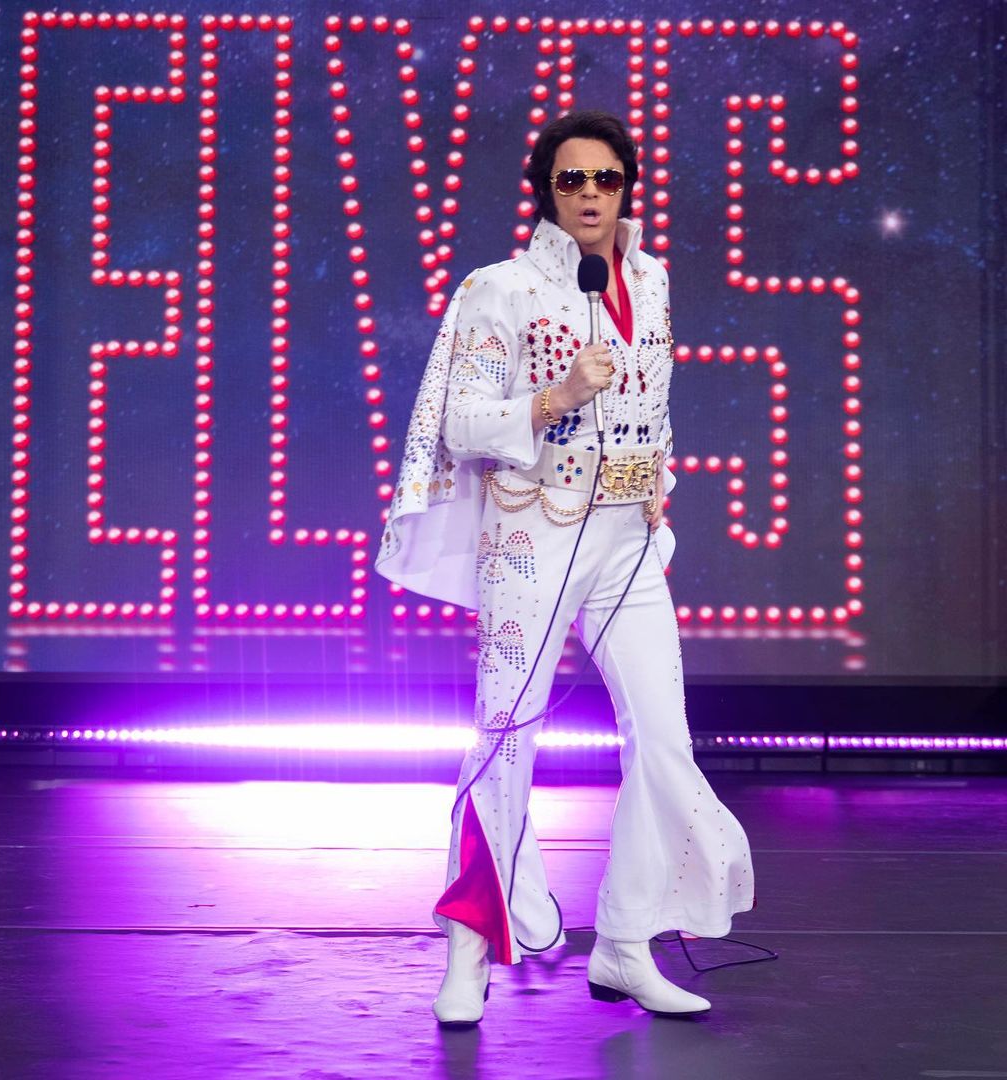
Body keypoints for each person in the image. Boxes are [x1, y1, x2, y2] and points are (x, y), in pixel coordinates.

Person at [376, 110, 754, 1024]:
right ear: (546, 192)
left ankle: (626, 944)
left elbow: (656, 398)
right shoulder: (499, 288)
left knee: (663, 739)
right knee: (506, 736)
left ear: (628, 188)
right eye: (571, 179)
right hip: (533, 532)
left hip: (628, 538)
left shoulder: (652, 280)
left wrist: (658, 479)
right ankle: (469, 947)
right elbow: (462, 422)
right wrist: (558, 395)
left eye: (606, 178)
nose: (590, 194)